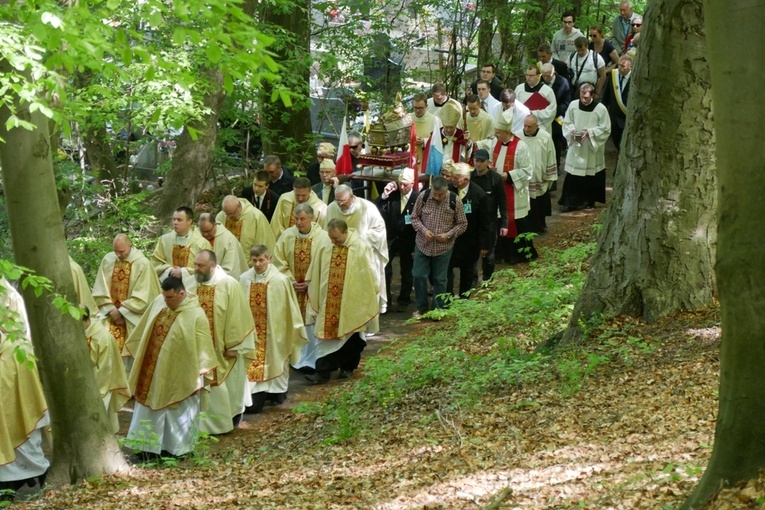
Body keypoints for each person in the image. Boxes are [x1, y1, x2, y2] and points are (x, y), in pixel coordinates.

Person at [123, 276, 217, 458]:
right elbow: (144, 330)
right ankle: (145, 448)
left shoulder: (196, 315)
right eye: (164, 297)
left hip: (181, 375)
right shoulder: (161, 304)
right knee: (147, 409)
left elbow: (204, 347)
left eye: (170, 298)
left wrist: (202, 372)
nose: (165, 301)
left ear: (182, 293)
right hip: (152, 371)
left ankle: (177, 450)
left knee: (177, 411)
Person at [304, 218, 380, 383]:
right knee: (324, 338)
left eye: (337, 238)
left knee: (352, 337)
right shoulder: (326, 246)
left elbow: (371, 277)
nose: (333, 241)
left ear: (346, 232)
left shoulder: (360, 247)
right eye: (331, 238)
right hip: (328, 302)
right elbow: (316, 272)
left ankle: (348, 368)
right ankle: (322, 372)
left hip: (352, 304)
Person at [189, 250, 254, 433]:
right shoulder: (192, 284)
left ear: (212, 266)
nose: (195, 269)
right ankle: (202, 425)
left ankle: (226, 422)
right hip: (198, 349)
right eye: (195, 264)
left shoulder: (229, 285)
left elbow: (237, 315)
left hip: (224, 349)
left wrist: (234, 345)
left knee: (228, 387)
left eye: (200, 266)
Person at [240, 245, 306, 410]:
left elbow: (290, 309)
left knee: (276, 358)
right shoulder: (244, 279)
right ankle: (254, 398)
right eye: (254, 260)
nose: (257, 264)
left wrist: (292, 329)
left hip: (274, 331)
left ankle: (276, 393)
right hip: (251, 333)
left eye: (261, 260)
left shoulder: (280, 280)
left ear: (269, 259)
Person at [0, 278, 49, 496]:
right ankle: (10, 480)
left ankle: (37, 473)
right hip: (7, 362)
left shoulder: (11, 297)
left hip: (15, 363)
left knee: (22, 423)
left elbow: (21, 333)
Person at [272, 203, 330, 373]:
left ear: (311, 218)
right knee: (295, 323)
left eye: (302, 219)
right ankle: (296, 358)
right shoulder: (287, 236)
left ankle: (313, 359)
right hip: (292, 290)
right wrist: (291, 281)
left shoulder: (323, 237)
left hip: (314, 290)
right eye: (296, 219)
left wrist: (310, 282)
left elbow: (325, 264)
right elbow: (278, 260)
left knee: (312, 325)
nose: (298, 222)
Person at [475, 114, 537, 265]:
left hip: (513, 191)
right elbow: (490, 159)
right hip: (497, 191)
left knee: (515, 222)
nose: (495, 134)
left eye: (498, 132)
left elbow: (528, 171)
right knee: (497, 222)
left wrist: (507, 175)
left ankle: (517, 254)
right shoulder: (496, 142)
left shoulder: (520, 147)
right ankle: (500, 254)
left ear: (506, 132)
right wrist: (490, 167)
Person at [325, 184, 389, 313]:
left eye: (342, 201)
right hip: (339, 257)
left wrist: (358, 239)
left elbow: (379, 229)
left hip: (363, 256)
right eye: (337, 200)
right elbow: (325, 231)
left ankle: (368, 321)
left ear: (352, 197)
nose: (339, 204)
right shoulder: (332, 208)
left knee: (364, 290)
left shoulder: (367, 207)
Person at [93, 234, 161, 353]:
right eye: (115, 251)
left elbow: (145, 296)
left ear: (131, 245)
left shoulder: (143, 264)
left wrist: (121, 312)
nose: (118, 255)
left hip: (132, 318)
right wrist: (111, 310)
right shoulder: (108, 260)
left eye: (121, 251)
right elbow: (100, 289)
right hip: (109, 315)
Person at [410, 176, 467, 317]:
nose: (437, 197)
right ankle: (421, 308)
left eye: (440, 194)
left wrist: (448, 235)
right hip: (423, 244)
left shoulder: (455, 200)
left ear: (446, 190)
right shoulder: (423, 196)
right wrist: (424, 231)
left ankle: (438, 310)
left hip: (444, 247)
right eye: (435, 194)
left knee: (440, 279)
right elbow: (414, 218)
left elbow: (462, 224)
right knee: (418, 275)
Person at [558, 83, 612, 212]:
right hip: (576, 145)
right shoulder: (573, 105)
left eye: (587, 97)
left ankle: (589, 200)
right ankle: (571, 202)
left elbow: (605, 128)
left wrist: (591, 132)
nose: (584, 99)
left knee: (591, 175)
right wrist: (571, 130)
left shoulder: (600, 109)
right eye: (582, 96)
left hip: (591, 147)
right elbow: (567, 122)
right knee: (574, 175)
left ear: (593, 95)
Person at [375, 168, 420, 311]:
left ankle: (404, 299)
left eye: (405, 184)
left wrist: (417, 245)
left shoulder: (417, 198)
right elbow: (376, 208)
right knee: (385, 270)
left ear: (412, 183)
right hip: (391, 238)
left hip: (409, 240)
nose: (402, 187)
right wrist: (384, 195)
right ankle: (386, 300)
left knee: (407, 271)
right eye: (400, 184)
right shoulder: (392, 195)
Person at [80, 305, 129, 434]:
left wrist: (86, 389)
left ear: (86, 320)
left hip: (99, 385)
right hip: (81, 383)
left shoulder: (103, 338)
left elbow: (105, 370)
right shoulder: (79, 332)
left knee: (97, 421)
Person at [446, 162, 491, 297]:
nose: (452, 180)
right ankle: (447, 299)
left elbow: (485, 222)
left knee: (467, 272)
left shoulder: (479, 194)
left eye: (455, 178)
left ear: (465, 179)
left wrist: (484, 244)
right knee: (447, 269)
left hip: (470, 241)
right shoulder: (447, 190)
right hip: (449, 239)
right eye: (452, 177)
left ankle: (464, 299)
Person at [151, 206, 212, 289]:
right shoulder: (165, 240)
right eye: (174, 219)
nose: (175, 222)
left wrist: (183, 272)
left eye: (179, 220)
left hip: (193, 288)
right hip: (169, 288)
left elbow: (208, 268)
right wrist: (170, 270)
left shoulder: (202, 243)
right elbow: (155, 263)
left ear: (189, 221)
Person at [470, 149, 507, 283]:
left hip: (490, 222)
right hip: (473, 222)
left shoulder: (495, 179)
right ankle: (472, 280)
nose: (478, 164)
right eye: (476, 161)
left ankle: (487, 278)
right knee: (472, 254)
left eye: (481, 161)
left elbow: (502, 202)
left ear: (488, 162)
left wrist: (504, 223)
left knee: (489, 254)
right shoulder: (470, 178)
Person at [520, 115, 558, 234]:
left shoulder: (545, 137)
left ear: (537, 126)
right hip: (524, 179)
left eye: (530, 126)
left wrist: (549, 175)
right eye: (525, 126)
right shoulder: (518, 136)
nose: (526, 129)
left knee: (540, 204)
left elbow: (551, 156)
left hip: (540, 177)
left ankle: (540, 225)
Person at [197, 212, 248, 279]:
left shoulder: (228, 239)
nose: (205, 234)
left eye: (208, 231)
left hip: (221, 281)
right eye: (202, 231)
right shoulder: (196, 236)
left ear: (215, 224)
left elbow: (231, 268)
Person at [541, 63, 571, 170]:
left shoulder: (563, 82)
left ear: (553, 73)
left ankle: (556, 165)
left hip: (556, 118)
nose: (545, 78)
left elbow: (566, 102)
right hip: (542, 117)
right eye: (543, 75)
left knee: (555, 142)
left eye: (548, 75)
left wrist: (553, 111)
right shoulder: (540, 82)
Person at [601, 54, 633, 152]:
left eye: (623, 66)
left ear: (630, 67)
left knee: (623, 146)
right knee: (616, 141)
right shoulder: (613, 75)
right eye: (619, 65)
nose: (620, 68)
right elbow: (605, 95)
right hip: (614, 118)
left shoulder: (635, 78)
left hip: (626, 118)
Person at [514, 65, 557, 134]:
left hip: (541, 127)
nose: (528, 78)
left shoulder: (547, 91)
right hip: (523, 125)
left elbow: (551, 111)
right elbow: (514, 107)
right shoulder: (519, 89)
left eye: (531, 75)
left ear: (538, 76)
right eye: (527, 75)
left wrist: (533, 113)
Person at [411, 93, 436, 175]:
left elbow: (438, 141)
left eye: (420, 108)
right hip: (410, 156)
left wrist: (424, 141)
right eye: (415, 108)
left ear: (426, 106)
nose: (417, 110)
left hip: (426, 157)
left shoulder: (434, 120)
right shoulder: (407, 119)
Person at [465, 95, 496, 159]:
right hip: (466, 153)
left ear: (479, 105)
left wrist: (476, 144)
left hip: (482, 155)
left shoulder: (489, 119)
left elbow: (493, 140)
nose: (472, 111)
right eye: (470, 108)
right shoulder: (464, 118)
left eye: (474, 108)